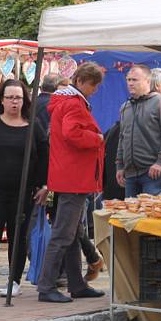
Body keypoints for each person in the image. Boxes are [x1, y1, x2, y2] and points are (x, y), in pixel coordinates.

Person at [37, 62, 105, 304]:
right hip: (74, 178)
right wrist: (96, 138)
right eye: (93, 85)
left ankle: (77, 284)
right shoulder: (74, 104)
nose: (95, 89)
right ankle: (46, 286)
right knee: (63, 235)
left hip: (68, 175)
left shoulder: (65, 101)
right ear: (81, 82)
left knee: (72, 234)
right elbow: (72, 134)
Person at [0, 80, 48, 300]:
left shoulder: (34, 126)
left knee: (18, 237)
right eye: (10, 97)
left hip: (24, 192)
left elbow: (45, 157)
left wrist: (45, 186)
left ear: (25, 101)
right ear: (2, 100)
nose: (14, 102)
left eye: (18, 98)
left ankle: (14, 281)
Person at [115, 64, 161, 197]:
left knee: (151, 214)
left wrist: (160, 163)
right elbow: (122, 138)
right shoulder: (125, 107)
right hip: (130, 175)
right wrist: (120, 166)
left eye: (135, 80)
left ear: (147, 81)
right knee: (130, 216)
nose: (130, 83)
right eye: (129, 80)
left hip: (153, 174)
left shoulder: (160, 103)